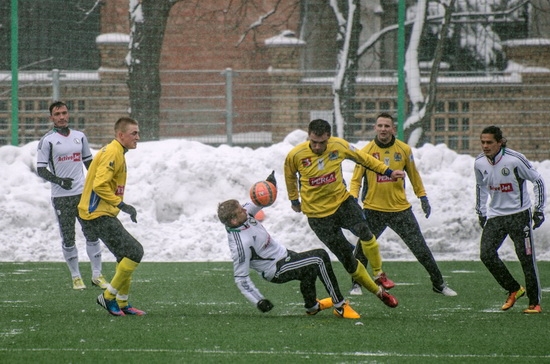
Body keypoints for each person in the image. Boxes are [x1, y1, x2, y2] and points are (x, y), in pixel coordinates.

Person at [284, 119, 404, 308]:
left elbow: (364, 159)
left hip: (342, 203)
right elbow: (290, 176)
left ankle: (379, 273)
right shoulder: (296, 155)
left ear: (328, 138)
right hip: (318, 217)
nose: (317, 146)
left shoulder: (339, 146)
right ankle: (379, 293)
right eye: (313, 142)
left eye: (321, 142)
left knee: (365, 231)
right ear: (308, 136)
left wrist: (388, 171)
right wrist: (294, 200)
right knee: (348, 259)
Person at [218, 172, 361, 319]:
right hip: (276, 269)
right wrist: (259, 300)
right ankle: (340, 306)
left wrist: (270, 186)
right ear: (234, 220)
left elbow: (261, 201)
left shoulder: (243, 215)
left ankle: (312, 307)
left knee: (309, 270)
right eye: (240, 211)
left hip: (284, 254)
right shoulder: (240, 244)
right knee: (319, 257)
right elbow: (241, 278)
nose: (244, 209)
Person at [348, 113, 457, 297]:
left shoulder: (404, 149)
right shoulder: (365, 151)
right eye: (380, 125)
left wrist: (422, 197)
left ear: (393, 129)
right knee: (363, 249)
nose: (383, 129)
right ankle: (356, 284)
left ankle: (438, 284)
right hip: (373, 209)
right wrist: (352, 199)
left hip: (400, 210)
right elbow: (356, 180)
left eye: (387, 126)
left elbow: (414, 175)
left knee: (420, 248)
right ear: (375, 128)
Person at [78, 117, 146, 316]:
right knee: (135, 251)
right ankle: (108, 297)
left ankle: (123, 303)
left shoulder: (118, 151)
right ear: (120, 135)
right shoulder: (113, 152)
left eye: (138, 133)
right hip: (96, 214)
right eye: (134, 133)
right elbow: (99, 185)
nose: (138, 138)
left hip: (102, 212)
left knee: (125, 257)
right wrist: (122, 204)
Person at [36, 101, 108, 290]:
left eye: (64, 113)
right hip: (61, 197)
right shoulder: (47, 141)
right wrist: (60, 181)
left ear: (69, 115)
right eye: (57, 114)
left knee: (92, 234)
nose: (61, 117)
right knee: (68, 237)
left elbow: (88, 163)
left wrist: (99, 182)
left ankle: (97, 275)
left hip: (82, 196)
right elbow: (41, 169)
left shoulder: (80, 137)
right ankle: (76, 277)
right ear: (51, 118)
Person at [475, 125, 545, 314]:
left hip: (519, 216)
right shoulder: (480, 163)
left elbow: (537, 180)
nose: (485, 146)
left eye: (489, 142)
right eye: (482, 142)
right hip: (496, 216)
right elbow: (480, 186)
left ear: (500, 143)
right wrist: (480, 211)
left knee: (526, 259)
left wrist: (538, 210)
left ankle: (534, 303)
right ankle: (514, 288)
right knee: (486, 255)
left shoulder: (515, 160)